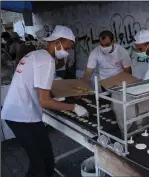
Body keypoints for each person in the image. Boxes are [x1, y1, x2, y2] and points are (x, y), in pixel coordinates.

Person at [1, 25, 89, 177]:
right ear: (57, 42)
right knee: (39, 165)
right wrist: (73, 107)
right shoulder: (47, 61)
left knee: (47, 157)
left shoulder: (36, 55)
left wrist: (55, 98)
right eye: (66, 48)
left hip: (20, 112)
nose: (66, 52)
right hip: (21, 117)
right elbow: (44, 102)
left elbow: (38, 88)